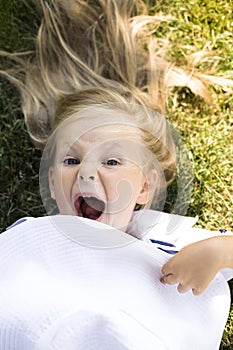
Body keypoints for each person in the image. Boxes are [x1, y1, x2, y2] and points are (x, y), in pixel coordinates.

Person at [0, 0, 232, 320]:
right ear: (52, 184)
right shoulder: (32, 234)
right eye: (71, 161)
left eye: (111, 162)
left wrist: (218, 252)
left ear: (143, 188)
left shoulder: (155, 231)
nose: (87, 173)